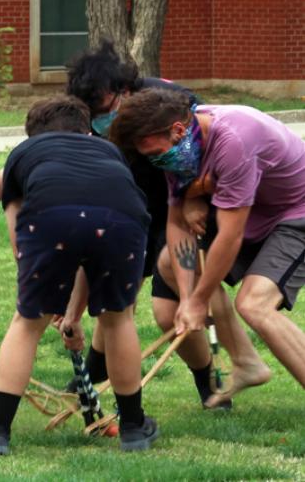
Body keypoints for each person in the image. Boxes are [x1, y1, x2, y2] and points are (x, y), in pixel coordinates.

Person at [0, 96, 159, 454]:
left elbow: (18, 235)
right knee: (118, 320)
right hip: (124, 220)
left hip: (51, 219)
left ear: (31, 135)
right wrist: (72, 312)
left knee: (26, 324)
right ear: (87, 130)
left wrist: (41, 295)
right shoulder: (108, 152)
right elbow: (93, 234)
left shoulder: (25, 154)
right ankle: (133, 428)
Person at [64, 39, 256, 408]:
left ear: (123, 90)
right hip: (130, 207)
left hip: (179, 210)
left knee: (167, 312)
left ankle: (211, 386)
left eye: (103, 107)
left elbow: (205, 150)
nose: (100, 118)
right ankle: (92, 379)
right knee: (115, 301)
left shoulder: (170, 100)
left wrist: (194, 198)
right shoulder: (89, 121)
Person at [110, 87, 305, 404]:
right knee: (168, 264)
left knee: (254, 304)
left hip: (296, 214)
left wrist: (200, 301)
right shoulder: (184, 146)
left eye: (155, 154)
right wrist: (188, 297)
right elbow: (176, 223)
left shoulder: (234, 141)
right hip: (256, 210)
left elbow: (230, 236)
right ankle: (246, 363)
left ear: (177, 130)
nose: (156, 162)